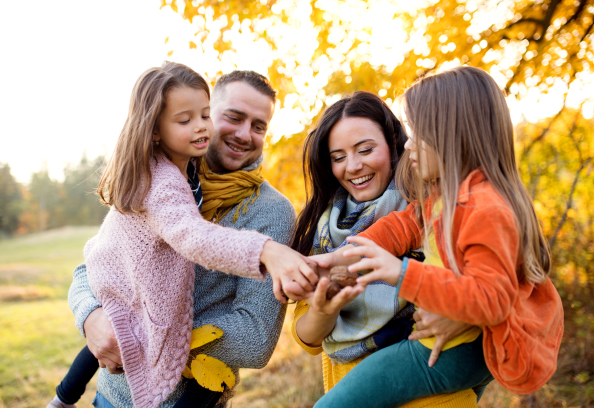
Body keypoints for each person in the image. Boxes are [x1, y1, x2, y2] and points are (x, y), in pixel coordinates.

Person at [51, 67, 309, 408]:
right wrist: (91, 317)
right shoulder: (160, 174)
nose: (245, 134)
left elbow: (255, 340)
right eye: (234, 117)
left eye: (259, 126)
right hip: (112, 395)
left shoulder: (270, 211)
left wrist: (148, 331)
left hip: (186, 397)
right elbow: (100, 263)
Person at [310, 66, 564, 408]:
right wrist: (337, 257)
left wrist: (400, 274)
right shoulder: (447, 198)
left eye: (418, 133)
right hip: (454, 344)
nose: (408, 143)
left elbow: (492, 298)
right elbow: (401, 226)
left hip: (459, 350)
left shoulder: (485, 208)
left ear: (452, 135)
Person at [288, 91, 480, 408]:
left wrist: (462, 317)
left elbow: (502, 281)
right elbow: (308, 339)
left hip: (435, 394)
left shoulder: (434, 205)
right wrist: (326, 309)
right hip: (349, 387)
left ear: (393, 143)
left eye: (365, 150)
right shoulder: (325, 232)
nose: (353, 166)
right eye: (338, 157)